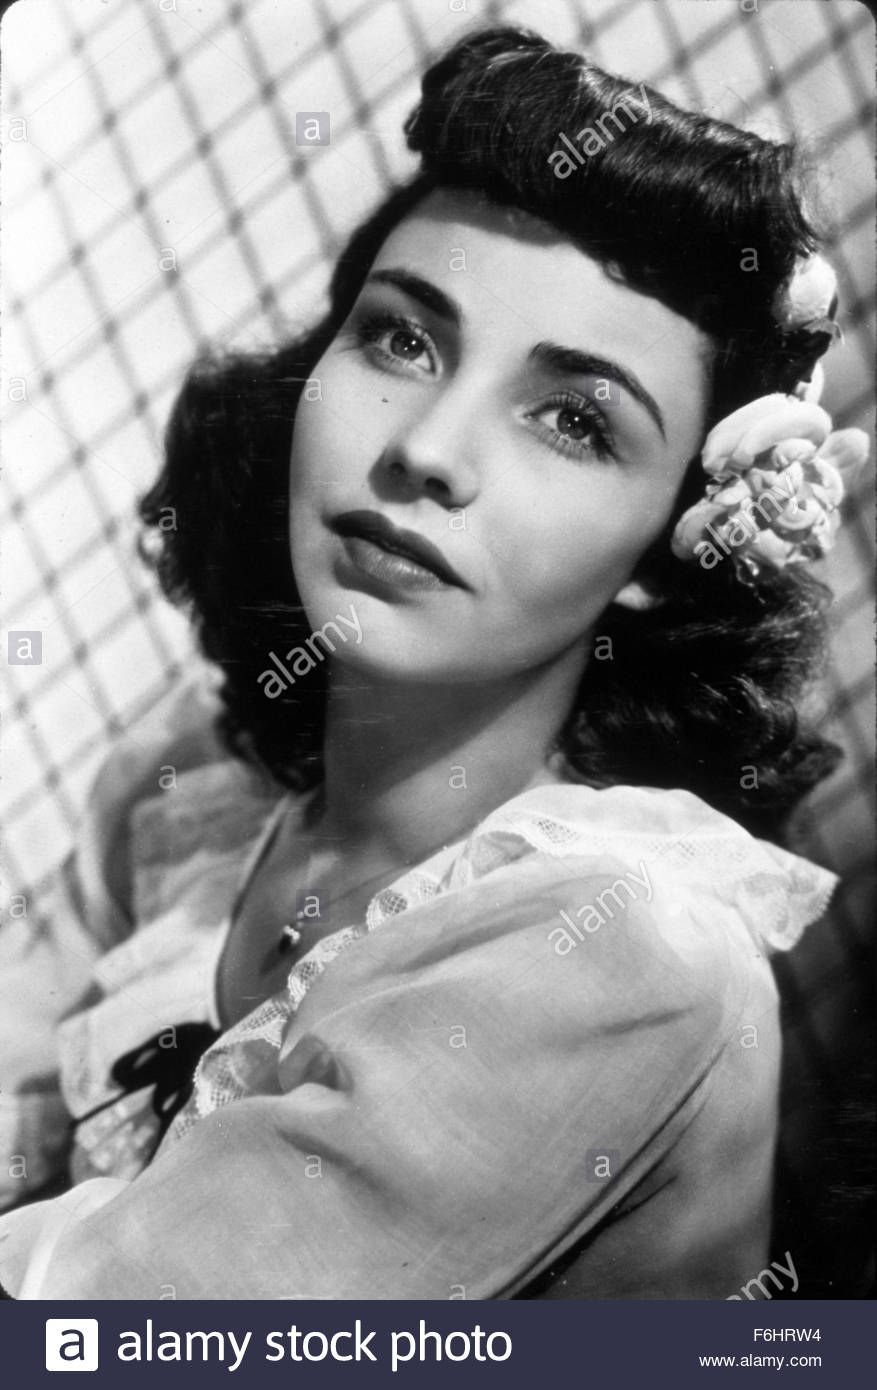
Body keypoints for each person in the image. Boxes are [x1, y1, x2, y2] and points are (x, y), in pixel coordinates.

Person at [0, 25, 868, 1299]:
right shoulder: (195, 784)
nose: (428, 450)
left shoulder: (621, 950)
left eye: (573, 420)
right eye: (402, 340)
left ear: (664, 546)